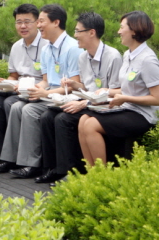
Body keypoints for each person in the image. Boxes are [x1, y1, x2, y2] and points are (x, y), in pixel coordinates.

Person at [0, 4, 83, 178]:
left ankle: (32, 164)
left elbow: (74, 85)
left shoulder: (72, 48)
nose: (38, 25)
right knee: (17, 106)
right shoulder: (47, 48)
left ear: (56, 22)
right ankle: (16, 160)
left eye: (41, 21)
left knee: (28, 110)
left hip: (66, 97)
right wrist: (31, 89)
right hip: (52, 95)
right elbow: (46, 81)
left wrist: (45, 93)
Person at [36, 12, 122, 183]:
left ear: (91, 32)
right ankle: (52, 168)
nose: (75, 36)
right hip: (88, 102)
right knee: (47, 116)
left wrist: (84, 103)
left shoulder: (113, 56)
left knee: (63, 119)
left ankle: (71, 172)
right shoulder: (83, 56)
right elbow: (87, 87)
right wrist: (75, 86)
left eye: (78, 31)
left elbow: (115, 91)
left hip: (105, 107)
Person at [79, 11, 159, 167]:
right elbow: (129, 88)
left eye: (122, 27)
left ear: (134, 31)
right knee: (83, 120)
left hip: (142, 115)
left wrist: (125, 98)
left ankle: (101, 176)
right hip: (128, 108)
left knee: (91, 125)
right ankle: (90, 175)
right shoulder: (128, 55)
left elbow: (156, 98)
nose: (118, 31)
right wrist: (107, 91)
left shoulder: (148, 59)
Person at [0, 4, 48, 164]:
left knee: (10, 103)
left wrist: (23, 87)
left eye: (27, 21)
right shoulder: (16, 47)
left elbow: (48, 80)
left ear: (37, 22)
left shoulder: (46, 45)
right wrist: (6, 82)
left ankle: (14, 157)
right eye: (19, 22)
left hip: (35, 92)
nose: (23, 26)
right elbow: (14, 75)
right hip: (17, 90)